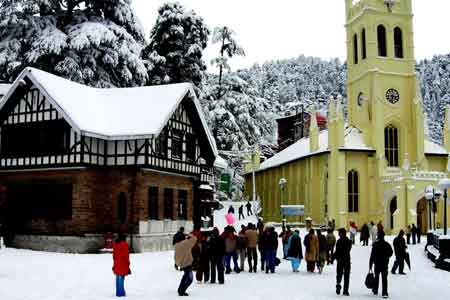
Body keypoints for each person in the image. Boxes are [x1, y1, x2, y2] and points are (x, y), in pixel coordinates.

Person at [369, 230, 393, 298]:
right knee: (384, 278)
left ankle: (375, 289)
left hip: (377, 264)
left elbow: (372, 255)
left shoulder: (375, 244)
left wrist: (370, 265)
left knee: (376, 277)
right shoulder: (387, 244)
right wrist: (387, 257)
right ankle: (384, 292)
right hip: (384, 264)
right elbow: (391, 253)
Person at [335, 228, 352, 296]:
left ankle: (338, 285)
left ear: (342, 233)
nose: (338, 234)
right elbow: (348, 250)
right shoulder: (349, 241)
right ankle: (345, 290)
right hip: (347, 260)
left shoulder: (339, 241)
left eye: (339, 233)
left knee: (339, 274)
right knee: (346, 275)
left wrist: (335, 257)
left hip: (340, 260)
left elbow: (337, 251)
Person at [112, 233, 130, 298]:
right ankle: (121, 292)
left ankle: (118, 292)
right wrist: (128, 264)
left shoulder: (115, 244)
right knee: (121, 278)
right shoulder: (125, 245)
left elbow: (114, 255)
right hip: (123, 263)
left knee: (117, 277)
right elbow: (126, 256)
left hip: (116, 263)